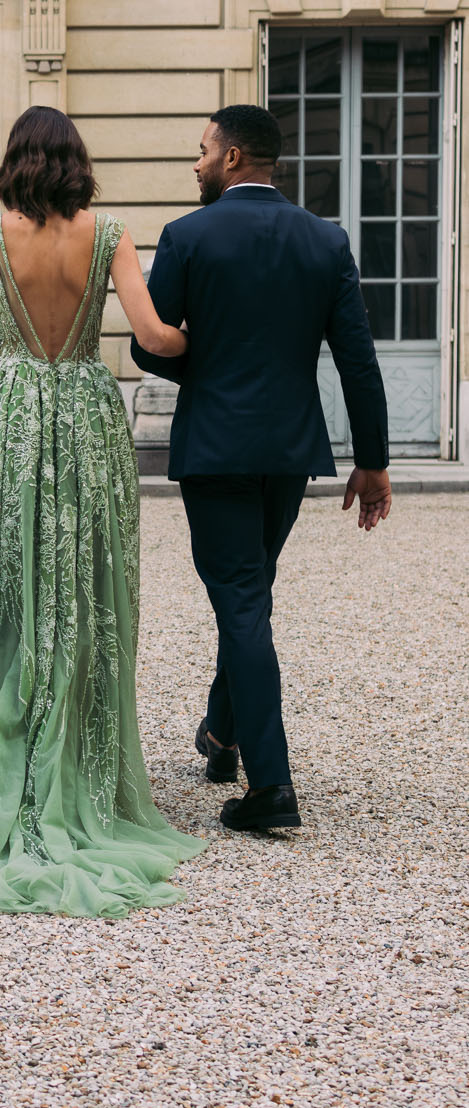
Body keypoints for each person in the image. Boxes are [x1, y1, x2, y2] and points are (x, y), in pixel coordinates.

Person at [0, 107, 207, 918]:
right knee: (77, 584)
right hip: (81, 407)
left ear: (13, 160)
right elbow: (151, 333)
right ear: (77, 160)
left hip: (5, 412)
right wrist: (211, 329)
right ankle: (72, 757)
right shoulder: (107, 232)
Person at [131, 103, 390, 836]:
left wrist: (208, 366)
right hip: (286, 450)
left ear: (235, 156)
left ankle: (270, 784)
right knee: (249, 594)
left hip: (215, 446)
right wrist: (370, 461)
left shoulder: (186, 235)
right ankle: (220, 734)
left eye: (203, 150)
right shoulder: (324, 240)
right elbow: (356, 359)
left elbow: (151, 348)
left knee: (241, 600)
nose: (196, 163)